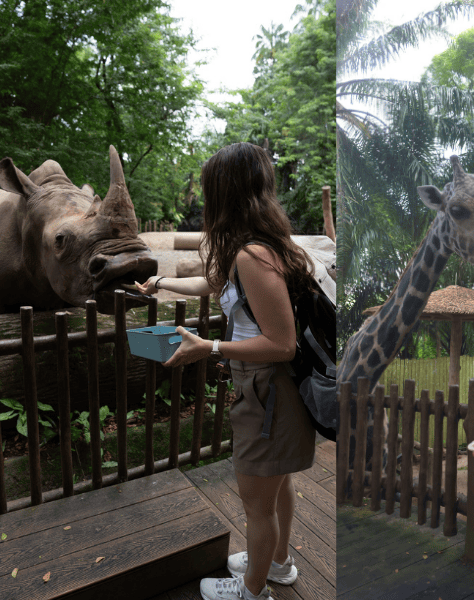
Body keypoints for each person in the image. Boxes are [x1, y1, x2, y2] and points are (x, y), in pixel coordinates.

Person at [136, 142, 318, 600]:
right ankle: (277, 563)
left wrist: (209, 346)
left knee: (257, 504)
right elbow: (214, 284)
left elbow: (282, 343)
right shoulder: (256, 249)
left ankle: (253, 590)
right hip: (274, 394)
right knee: (276, 485)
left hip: (268, 393)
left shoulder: (252, 256)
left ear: (224, 193)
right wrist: (160, 282)